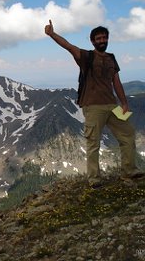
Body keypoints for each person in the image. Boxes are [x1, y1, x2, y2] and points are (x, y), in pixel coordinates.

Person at [44, 20, 145, 188]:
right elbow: (69, 47)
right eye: (98, 38)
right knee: (93, 143)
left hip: (112, 105)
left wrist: (124, 103)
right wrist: (52, 34)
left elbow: (116, 82)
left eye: (104, 38)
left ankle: (129, 171)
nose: (102, 41)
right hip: (93, 106)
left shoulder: (111, 58)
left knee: (128, 134)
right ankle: (94, 179)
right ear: (92, 41)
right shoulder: (86, 56)